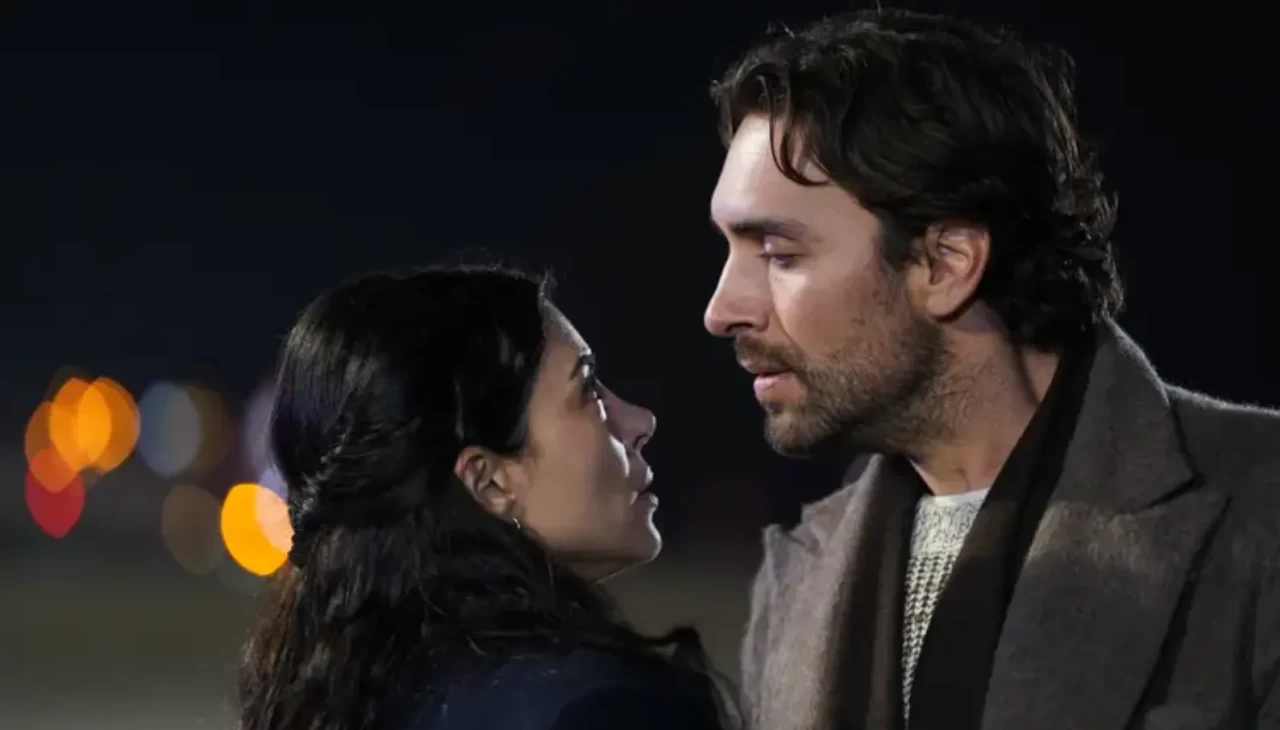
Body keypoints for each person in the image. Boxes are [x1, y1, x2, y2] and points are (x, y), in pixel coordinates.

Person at [703, 8, 1280, 730]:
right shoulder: (796, 576)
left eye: (780, 256)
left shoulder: (1260, 505)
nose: (722, 310)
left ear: (947, 263)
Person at [236, 266, 728, 730]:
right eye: (589, 394)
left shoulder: (346, 696)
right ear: (489, 482)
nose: (641, 422)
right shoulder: (603, 707)